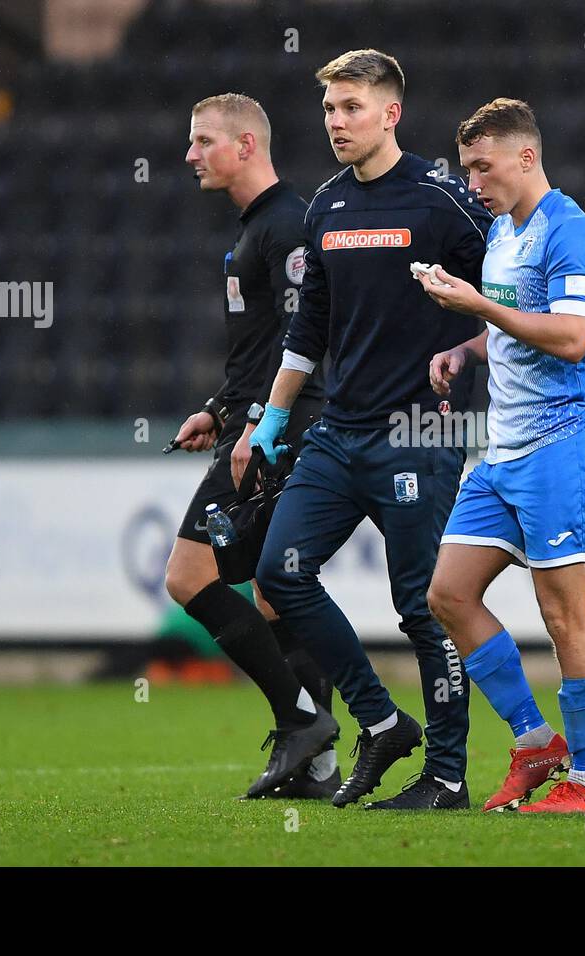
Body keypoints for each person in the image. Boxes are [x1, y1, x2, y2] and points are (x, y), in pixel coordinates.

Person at [250, 49, 493, 810]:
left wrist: (465, 351)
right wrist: (272, 417)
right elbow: (310, 325)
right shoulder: (325, 206)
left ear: (391, 113)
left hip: (419, 434)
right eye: (328, 109)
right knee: (279, 575)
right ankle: (382, 719)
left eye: (351, 107)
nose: (336, 122)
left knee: (424, 607)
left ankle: (447, 777)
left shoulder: (442, 200)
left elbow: (510, 303)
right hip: (339, 433)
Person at [420, 98, 585, 814]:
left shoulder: (571, 232)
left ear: (525, 158)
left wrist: (478, 308)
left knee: (566, 619)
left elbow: (569, 337)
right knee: (447, 594)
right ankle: (536, 743)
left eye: (483, 166)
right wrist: (464, 348)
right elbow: (510, 329)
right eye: (468, 167)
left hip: (562, 445)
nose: (472, 181)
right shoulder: (503, 231)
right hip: (502, 452)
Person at [166, 93, 338, 798]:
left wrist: (261, 423)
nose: (189, 154)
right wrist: (218, 407)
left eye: (203, 140)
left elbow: (308, 342)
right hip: (252, 424)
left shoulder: (287, 228)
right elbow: (266, 346)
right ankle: (319, 768)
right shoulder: (255, 230)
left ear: (245, 146)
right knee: (275, 594)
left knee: (188, 576)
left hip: (273, 435)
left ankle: (300, 720)